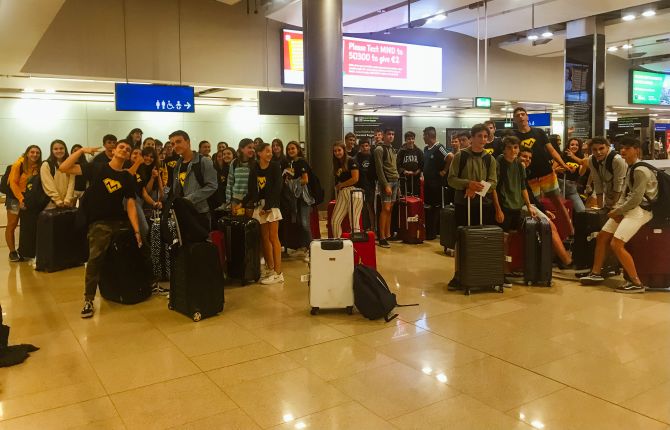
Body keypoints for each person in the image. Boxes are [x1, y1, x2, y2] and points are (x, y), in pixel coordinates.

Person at [58, 140, 141, 318]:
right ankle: (88, 299)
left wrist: (137, 230)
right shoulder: (97, 168)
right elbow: (64, 168)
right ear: (114, 150)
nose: (124, 150)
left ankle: (133, 288)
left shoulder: (127, 177)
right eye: (121, 147)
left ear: (129, 156)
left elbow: (131, 204)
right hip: (99, 222)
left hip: (119, 221)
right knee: (95, 258)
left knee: (134, 252)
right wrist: (81, 151)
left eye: (128, 149)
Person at [580, 136, 658, 293]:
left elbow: (636, 198)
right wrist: (616, 209)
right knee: (602, 236)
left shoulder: (640, 170)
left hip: (641, 210)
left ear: (636, 150)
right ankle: (596, 273)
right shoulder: (630, 167)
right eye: (622, 148)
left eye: (627, 148)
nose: (623, 151)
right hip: (628, 208)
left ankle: (636, 283)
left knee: (616, 244)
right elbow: (625, 192)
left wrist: (618, 211)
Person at [447, 124, 498, 288]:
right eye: (479, 136)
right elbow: (451, 179)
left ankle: (480, 272)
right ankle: (459, 273)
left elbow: (493, 182)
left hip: (483, 204)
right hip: (463, 204)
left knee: (481, 239)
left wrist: (476, 189)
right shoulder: (460, 156)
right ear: (472, 138)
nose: (483, 140)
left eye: (485, 136)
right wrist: (468, 184)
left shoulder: (490, 159)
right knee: (461, 239)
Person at [513, 107, 575, 235]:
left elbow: (551, 150)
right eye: (517, 115)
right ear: (514, 119)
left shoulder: (539, 132)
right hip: (529, 177)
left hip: (547, 173)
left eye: (523, 114)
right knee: (536, 206)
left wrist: (563, 164)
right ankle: (543, 235)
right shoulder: (514, 136)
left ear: (527, 117)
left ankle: (570, 231)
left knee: (558, 202)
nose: (521, 117)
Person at [519, 147, 574, 269]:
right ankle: (567, 261)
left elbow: (531, 196)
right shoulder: (516, 171)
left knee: (549, 224)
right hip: (520, 207)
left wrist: (543, 210)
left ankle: (558, 257)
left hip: (528, 205)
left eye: (529, 158)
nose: (527, 160)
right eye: (524, 156)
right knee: (549, 226)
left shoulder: (524, 172)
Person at [169, 130, 217, 235]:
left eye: (178, 141)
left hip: (200, 212)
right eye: (172, 144)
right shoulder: (178, 164)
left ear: (188, 142)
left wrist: (189, 199)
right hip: (183, 212)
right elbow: (176, 189)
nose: (175, 146)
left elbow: (212, 185)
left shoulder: (204, 161)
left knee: (200, 242)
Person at [251, 142, 284, 284]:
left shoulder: (275, 166)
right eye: (267, 151)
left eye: (270, 151)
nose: (270, 153)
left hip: (272, 205)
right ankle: (270, 269)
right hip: (260, 206)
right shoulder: (255, 167)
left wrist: (269, 205)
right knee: (264, 238)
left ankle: (278, 273)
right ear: (259, 153)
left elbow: (278, 187)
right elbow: (252, 189)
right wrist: (245, 203)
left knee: (273, 237)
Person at [492, 136, 536, 232]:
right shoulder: (498, 163)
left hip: (517, 205)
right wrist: (498, 209)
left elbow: (523, 186)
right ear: (504, 150)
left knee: (514, 234)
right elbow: (493, 188)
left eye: (515, 147)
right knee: (503, 235)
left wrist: (529, 206)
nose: (513, 150)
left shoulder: (520, 164)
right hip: (503, 205)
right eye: (509, 147)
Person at [5, 146, 42, 262]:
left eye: (37, 152)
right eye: (32, 152)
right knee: (12, 224)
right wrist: (21, 200)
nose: (35, 154)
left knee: (27, 225)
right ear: (27, 154)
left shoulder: (38, 166)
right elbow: (13, 184)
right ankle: (12, 252)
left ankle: (26, 250)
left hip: (28, 198)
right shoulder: (18, 164)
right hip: (14, 198)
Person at [284, 141, 313, 259]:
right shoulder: (291, 163)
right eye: (289, 149)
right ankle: (304, 248)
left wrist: (292, 183)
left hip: (304, 198)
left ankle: (312, 250)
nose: (291, 151)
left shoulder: (301, 162)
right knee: (300, 223)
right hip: (296, 198)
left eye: (293, 148)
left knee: (305, 224)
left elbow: (305, 180)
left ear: (298, 149)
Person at [423, 127, 452, 234]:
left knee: (436, 207)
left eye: (424, 135)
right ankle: (430, 230)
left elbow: (450, 156)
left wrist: (444, 171)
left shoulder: (439, 147)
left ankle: (436, 231)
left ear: (428, 135)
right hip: (428, 184)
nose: (423, 138)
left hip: (437, 184)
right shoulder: (426, 149)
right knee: (428, 207)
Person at [331, 141, 363, 239]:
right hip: (343, 193)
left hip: (354, 192)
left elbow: (355, 179)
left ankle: (356, 246)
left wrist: (341, 185)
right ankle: (338, 242)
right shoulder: (337, 163)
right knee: (335, 221)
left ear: (344, 150)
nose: (337, 153)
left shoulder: (351, 161)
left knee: (354, 222)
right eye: (335, 151)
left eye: (339, 150)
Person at [374, 129, 399, 248]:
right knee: (385, 209)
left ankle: (388, 234)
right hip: (387, 182)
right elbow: (379, 169)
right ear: (383, 135)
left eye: (393, 134)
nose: (391, 136)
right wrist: (385, 184)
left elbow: (394, 167)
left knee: (390, 209)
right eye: (389, 134)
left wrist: (397, 183)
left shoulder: (392, 149)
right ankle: (382, 237)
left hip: (395, 181)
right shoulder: (379, 149)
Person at [587, 136, 627, 210]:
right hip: (609, 192)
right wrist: (600, 208)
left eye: (601, 148)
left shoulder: (617, 160)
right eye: (594, 149)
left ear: (608, 148)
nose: (598, 152)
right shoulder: (591, 160)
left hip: (624, 194)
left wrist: (614, 208)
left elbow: (618, 184)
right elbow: (597, 182)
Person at [225, 138, 257, 217]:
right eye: (249, 147)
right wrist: (228, 201)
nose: (252, 150)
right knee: (236, 222)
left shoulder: (255, 163)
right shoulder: (234, 162)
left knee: (249, 223)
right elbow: (230, 182)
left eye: (253, 148)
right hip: (235, 199)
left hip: (250, 200)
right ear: (242, 149)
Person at [554, 137, 587, 213]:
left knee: (581, 210)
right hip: (559, 186)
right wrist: (558, 170)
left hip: (572, 188)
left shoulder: (581, 157)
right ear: (568, 146)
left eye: (577, 145)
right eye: (572, 145)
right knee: (562, 210)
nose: (574, 146)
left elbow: (581, 173)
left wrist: (574, 157)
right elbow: (552, 169)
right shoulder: (562, 156)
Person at [41, 139, 75, 209]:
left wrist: (68, 199)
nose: (59, 151)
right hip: (51, 203)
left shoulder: (70, 164)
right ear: (52, 151)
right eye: (55, 149)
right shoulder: (46, 165)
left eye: (61, 148)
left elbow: (71, 182)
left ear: (65, 149)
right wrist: (56, 199)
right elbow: (47, 184)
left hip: (67, 203)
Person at [355, 138, 376, 230]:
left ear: (369, 146)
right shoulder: (356, 158)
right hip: (359, 186)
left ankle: (373, 228)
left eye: (366, 146)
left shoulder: (373, 157)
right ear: (360, 147)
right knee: (359, 208)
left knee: (371, 207)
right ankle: (360, 227)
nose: (365, 148)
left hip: (371, 186)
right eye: (362, 146)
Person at [397, 131, 423, 197]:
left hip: (415, 180)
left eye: (412, 138)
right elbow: (398, 165)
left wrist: (417, 171)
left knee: (415, 198)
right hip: (404, 180)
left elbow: (422, 165)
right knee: (405, 198)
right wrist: (404, 171)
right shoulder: (401, 151)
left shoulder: (419, 151)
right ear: (405, 140)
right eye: (409, 139)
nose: (411, 141)